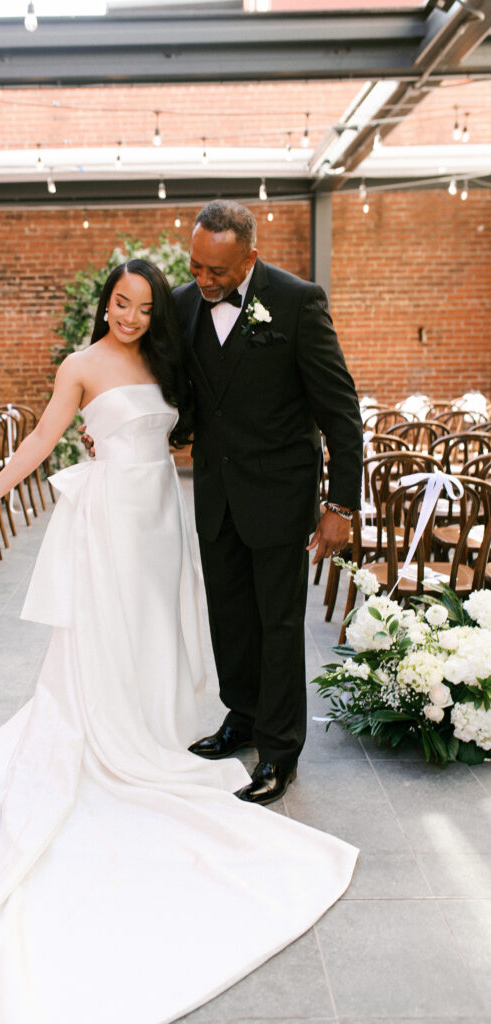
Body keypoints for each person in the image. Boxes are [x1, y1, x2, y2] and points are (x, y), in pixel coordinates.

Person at [0, 260, 357, 1024]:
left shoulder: (166, 355)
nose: (129, 316)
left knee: (157, 625)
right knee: (110, 628)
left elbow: (201, 416)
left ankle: (155, 726)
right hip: (109, 518)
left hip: (160, 514)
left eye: (140, 306)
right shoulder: (80, 364)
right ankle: (112, 737)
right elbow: (42, 434)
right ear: (102, 306)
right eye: (119, 304)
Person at [173, 200, 363, 806]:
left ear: (250, 257)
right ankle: (244, 717)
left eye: (217, 272)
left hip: (281, 496)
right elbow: (176, 393)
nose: (204, 280)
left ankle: (280, 752)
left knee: (278, 626)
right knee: (230, 617)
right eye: (196, 265)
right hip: (217, 495)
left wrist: (341, 506)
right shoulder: (182, 306)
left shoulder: (298, 301)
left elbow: (341, 413)